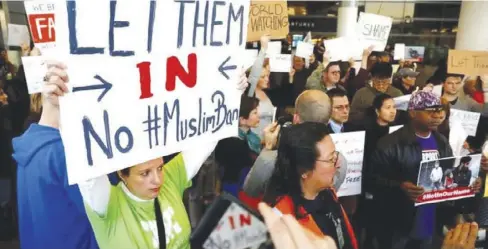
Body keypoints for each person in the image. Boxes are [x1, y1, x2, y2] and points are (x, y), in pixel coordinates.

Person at [13, 61, 249, 249]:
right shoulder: (108, 204)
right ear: (121, 174)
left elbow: (207, 140)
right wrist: (63, 104)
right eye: (144, 173)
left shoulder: (171, 180)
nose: (156, 179)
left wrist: (231, 94)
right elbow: (87, 171)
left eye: (159, 167)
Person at [369, 91, 481, 249]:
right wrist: (400, 187)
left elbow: (448, 176)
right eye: (431, 111)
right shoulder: (389, 144)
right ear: (413, 112)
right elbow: (372, 181)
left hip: (431, 221)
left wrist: (469, 184)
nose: (438, 115)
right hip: (398, 223)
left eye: (440, 110)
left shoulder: (441, 142)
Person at [264, 122, 358, 249]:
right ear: (304, 171)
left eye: (336, 154)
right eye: (331, 159)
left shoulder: (327, 193)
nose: (338, 163)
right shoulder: (283, 221)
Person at [243, 90, 348, 198]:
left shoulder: (271, 159)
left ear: (296, 119)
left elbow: (249, 191)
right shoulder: (340, 162)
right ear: (328, 119)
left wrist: (267, 149)